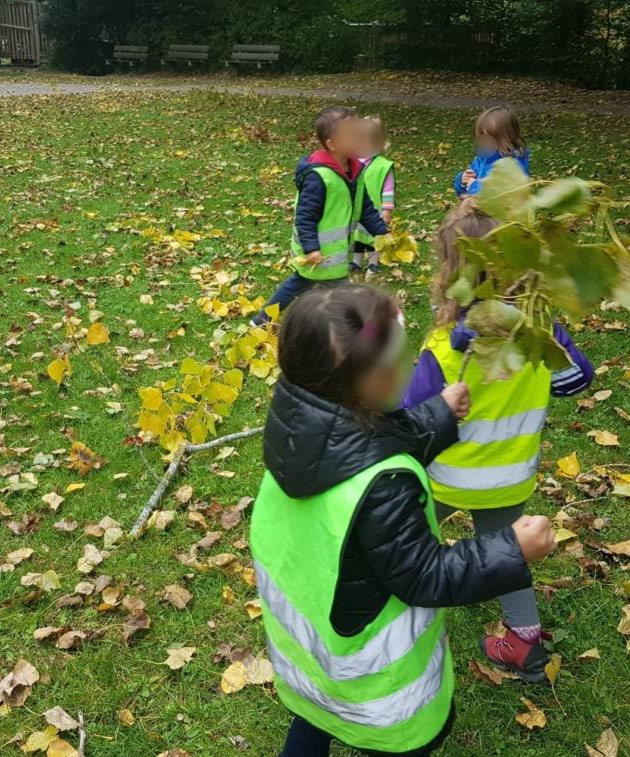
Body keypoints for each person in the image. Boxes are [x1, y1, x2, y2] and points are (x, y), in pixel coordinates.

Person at [250, 285, 556, 757]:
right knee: (421, 732)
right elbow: (424, 574)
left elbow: (375, 439)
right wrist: (511, 548)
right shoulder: (384, 483)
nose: (412, 363)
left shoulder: (300, 420)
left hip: (310, 641)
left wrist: (438, 416)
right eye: (402, 357)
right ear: (371, 383)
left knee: (314, 714)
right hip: (363, 658)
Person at [401, 202, 593, 681]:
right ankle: (524, 643)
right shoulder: (540, 336)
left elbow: (408, 422)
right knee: (508, 556)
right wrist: (557, 339)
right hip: (510, 480)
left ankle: (401, 629)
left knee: (408, 548)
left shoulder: (445, 347)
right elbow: (576, 383)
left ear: (451, 274)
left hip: (443, 483)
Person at [252, 107, 389, 326]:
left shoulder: (355, 171)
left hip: (335, 256)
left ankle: (339, 325)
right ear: (332, 144)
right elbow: (305, 217)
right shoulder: (318, 177)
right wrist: (311, 248)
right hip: (317, 254)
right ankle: (263, 319)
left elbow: (364, 207)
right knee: (307, 286)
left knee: (312, 286)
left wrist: (382, 232)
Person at [351, 115, 395, 279]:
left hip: (374, 209)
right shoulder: (353, 161)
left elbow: (388, 189)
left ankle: (373, 263)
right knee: (357, 237)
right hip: (356, 207)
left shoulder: (383, 165)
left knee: (373, 237)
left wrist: (387, 209)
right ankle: (356, 261)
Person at [452, 105, 530, 199]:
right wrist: (462, 181)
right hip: (476, 210)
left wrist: (475, 187)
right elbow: (462, 192)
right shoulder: (483, 157)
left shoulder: (513, 164)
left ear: (506, 138)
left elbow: (504, 196)